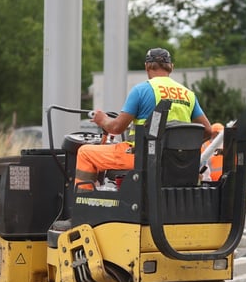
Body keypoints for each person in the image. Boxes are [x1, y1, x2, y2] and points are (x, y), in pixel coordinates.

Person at [74, 47, 213, 188]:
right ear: (171, 67)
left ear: (147, 66)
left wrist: (102, 119)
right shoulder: (188, 94)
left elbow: (116, 128)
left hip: (141, 156)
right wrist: (181, 147)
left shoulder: (141, 90)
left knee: (85, 152)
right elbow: (208, 130)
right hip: (176, 161)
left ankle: (82, 203)